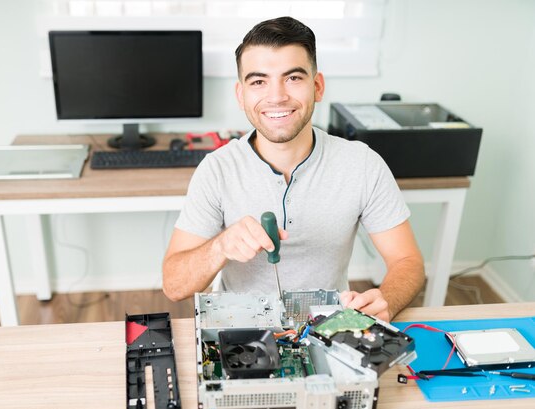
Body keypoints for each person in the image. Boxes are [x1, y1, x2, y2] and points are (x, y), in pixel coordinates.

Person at [162, 16, 424, 322]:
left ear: (317, 87)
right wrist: (220, 246)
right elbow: (174, 284)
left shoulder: (363, 164)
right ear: (241, 95)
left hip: (328, 326)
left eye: (293, 78)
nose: (276, 97)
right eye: (259, 81)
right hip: (241, 333)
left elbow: (408, 261)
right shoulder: (217, 170)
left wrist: (387, 300)